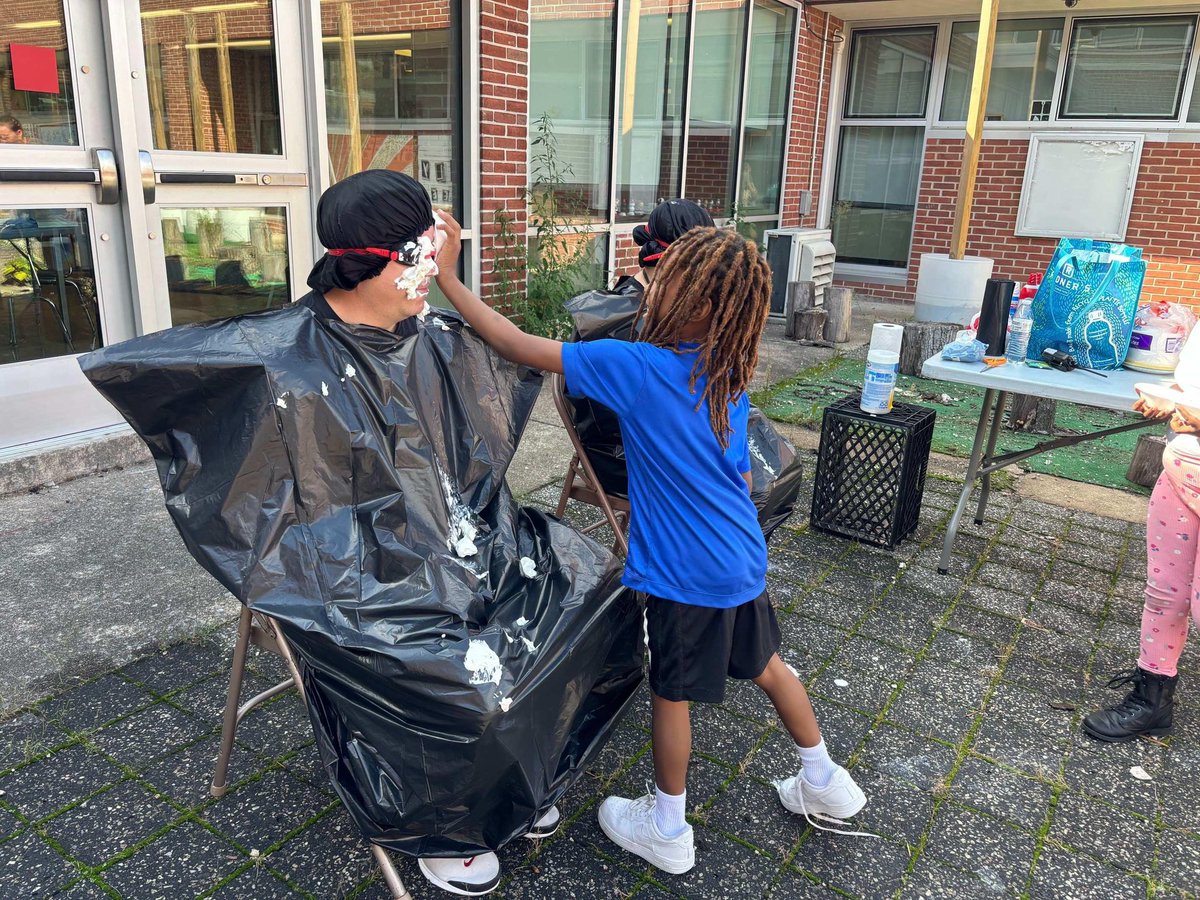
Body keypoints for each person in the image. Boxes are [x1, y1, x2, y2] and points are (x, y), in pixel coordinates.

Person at [434, 215, 867, 876]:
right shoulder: (727, 373)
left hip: (683, 575)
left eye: (662, 280)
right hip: (741, 557)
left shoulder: (635, 366)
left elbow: (516, 344)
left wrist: (447, 276)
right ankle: (826, 779)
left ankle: (666, 826)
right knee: (767, 665)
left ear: (678, 299)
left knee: (672, 690)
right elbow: (741, 476)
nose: (649, 285)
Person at [303, 170, 560, 897]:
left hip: (446, 534)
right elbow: (302, 517)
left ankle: (517, 774)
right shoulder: (299, 361)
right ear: (379, 260)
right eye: (419, 263)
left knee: (564, 589)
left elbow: (464, 447)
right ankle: (446, 819)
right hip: (358, 568)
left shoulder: (422, 335)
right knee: (451, 646)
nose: (428, 280)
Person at [1082, 330, 1200, 743]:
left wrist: (1186, 409)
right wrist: (1172, 394)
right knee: (1165, 593)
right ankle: (1152, 701)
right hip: (1182, 476)